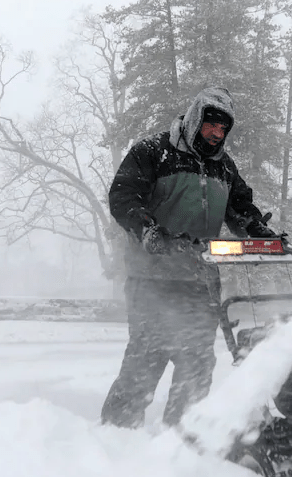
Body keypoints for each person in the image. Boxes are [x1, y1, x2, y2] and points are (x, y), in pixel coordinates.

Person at [100, 86, 278, 429]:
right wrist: (150, 231)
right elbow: (123, 196)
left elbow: (240, 208)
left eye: (224, 129)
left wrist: (258, 232)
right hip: (152, 277)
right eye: (212, 125)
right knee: (147, 358)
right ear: (197, 119)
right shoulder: (153, 152)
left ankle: (182, 437)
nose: (217, 134)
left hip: (200, 280)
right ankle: (115, 434)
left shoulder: (224, 167)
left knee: (197, 363)